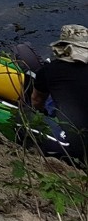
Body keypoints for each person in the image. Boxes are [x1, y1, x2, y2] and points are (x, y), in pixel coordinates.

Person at [28, 24, 88, 165]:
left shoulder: (49, 70)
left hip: (76, 143)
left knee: (25, 117)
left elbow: (36, 101)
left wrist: (41, 115)